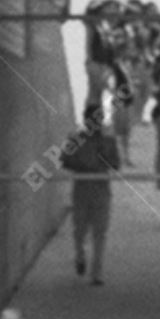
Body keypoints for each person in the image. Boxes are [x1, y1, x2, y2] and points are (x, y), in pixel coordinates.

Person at [62, 103, 120, 286]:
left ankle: (97, 273)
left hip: (101, 189)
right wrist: (83, 165)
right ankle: (80, 255)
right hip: (82, 189)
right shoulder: (75, 139)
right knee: (79, 230)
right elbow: (64, 160)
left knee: (100, 232)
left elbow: (116, 164)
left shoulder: (109, 141)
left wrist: (104, 159)